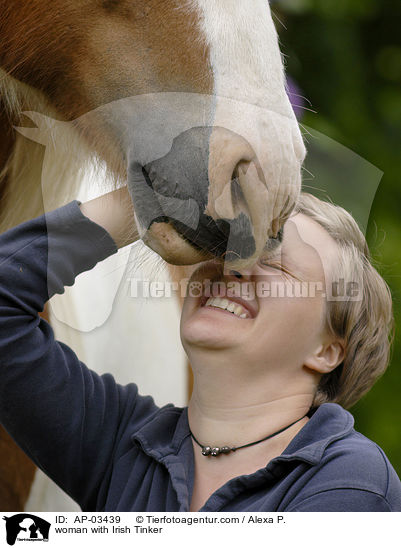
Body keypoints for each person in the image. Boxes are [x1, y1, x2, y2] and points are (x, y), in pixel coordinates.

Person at [0, 187, 400, 512]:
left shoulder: (353, 481)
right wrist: (150, 196)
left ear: (327, 351)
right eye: (226, 247)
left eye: (276, 264)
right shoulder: (125, 444)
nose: (233, 265)